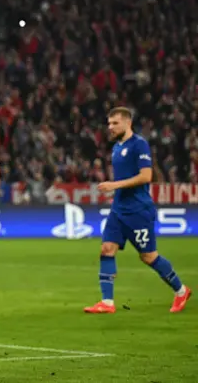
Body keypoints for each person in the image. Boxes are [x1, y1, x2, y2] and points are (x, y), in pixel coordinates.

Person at [84, 107, 192, 314]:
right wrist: (115, 191)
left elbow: (146, 176)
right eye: (109, 123)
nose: (110, 127)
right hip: (118, 209)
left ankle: (181, 290)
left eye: (115, 123)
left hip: (138, 210)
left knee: (149, 256)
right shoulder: (117, 148)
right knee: (107, 249)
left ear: (127, 122)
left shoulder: (139, 144)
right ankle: (107, 303)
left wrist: (114, 185)